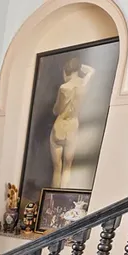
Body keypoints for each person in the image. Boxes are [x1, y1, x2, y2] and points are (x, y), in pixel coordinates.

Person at [50, 57, 95, 188]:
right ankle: (62, 194)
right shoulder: (83, 85)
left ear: (66, 71)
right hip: (73, 126)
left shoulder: (64, 87)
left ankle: (52, 195)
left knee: (57, 167)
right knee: (68, 167)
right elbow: (92, 71)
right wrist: (82, 68)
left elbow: (57, 110)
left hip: (60, 126)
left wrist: (55, 108)